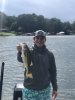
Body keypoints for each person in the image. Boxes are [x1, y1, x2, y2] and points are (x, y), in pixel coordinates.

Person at [16, 30, 58, 100]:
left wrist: (55, 88)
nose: (39, 40)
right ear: (34, 39)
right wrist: (19, 51)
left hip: (45, 90)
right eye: (37, 38)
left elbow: (53, 72)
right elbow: (20, 59)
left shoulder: (50, 55)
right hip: (29, 89)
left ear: (45, 40)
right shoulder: (29, 51)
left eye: (42, 38)